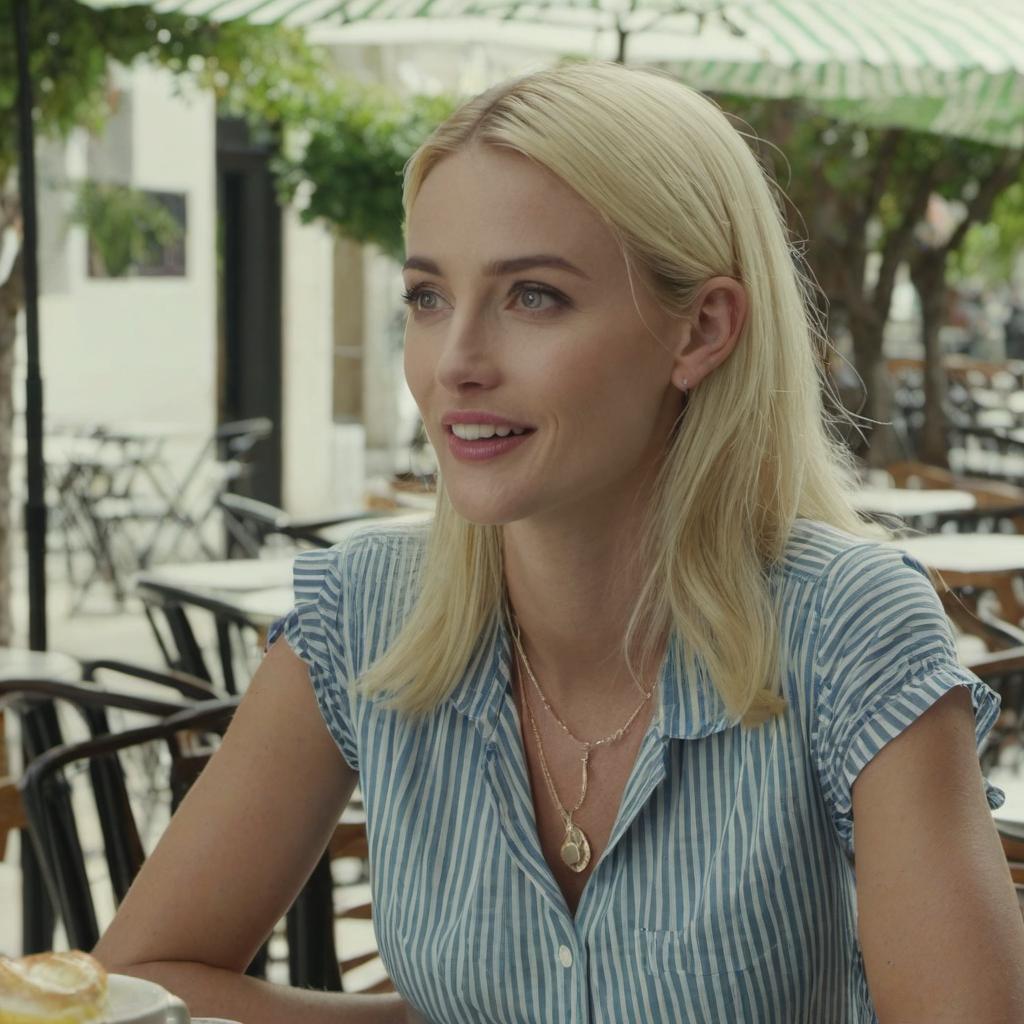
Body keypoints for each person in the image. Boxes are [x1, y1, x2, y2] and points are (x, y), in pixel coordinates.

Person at [94, 60, 1024, 1023]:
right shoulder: (367, 615)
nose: (454, 364)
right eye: (427, 298)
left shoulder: (848, 627)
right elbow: (139, 981)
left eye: (532, 296)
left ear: (700, 330)